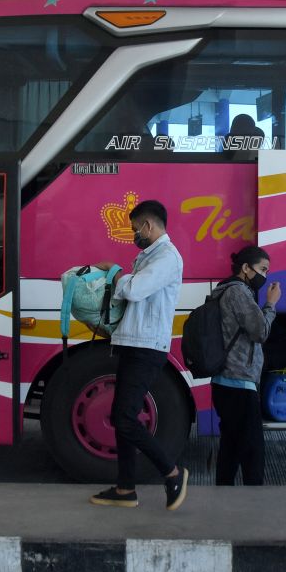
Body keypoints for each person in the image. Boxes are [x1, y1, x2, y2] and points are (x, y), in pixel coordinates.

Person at [89, 199, 189, 510]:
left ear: (148, 225)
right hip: (134, 343)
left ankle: (172, 472)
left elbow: (134, 290)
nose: (134, 235)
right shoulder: (149, 256)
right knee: (123, 417)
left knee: (124, 417)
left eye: (135, 229)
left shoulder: (168, 258)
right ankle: (125, 489)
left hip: (147, 347)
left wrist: (115, 274)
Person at [209, 245, 282, 486]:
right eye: (262, 269)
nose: (264, 276)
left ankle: (224, 491)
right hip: (239, 381)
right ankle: (254, 501)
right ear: (245, 268)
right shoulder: (238, 292)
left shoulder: (221, 290)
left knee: (231, 444)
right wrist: (271, 305)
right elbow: (260, 331)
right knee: (253, 450)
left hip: (224, 380)